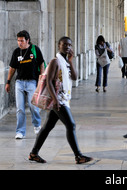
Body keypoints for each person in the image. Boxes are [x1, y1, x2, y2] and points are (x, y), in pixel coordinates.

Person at [29, 36, 92, 164]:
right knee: (71, 125)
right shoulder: (55, 61)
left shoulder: (65, 61)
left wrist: (71, 61)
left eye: (69, 45)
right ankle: (78, 156)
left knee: (47, 127)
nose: (67, 47)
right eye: (64, 44)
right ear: (59, 45)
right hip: (58, 99)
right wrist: (55, 100)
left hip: (64, 98)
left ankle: (33, 153)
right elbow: (49, 81)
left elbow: (75, 77)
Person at [5, 30, 45, 139]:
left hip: (32, 82)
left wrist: (41, 79)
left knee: (33, 106)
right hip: (19, 82)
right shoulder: (16, 52)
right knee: (20, 108)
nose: (20, 43)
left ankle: (37, 125)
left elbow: (41, 63)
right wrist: (8, 82)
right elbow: (12, 68)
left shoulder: (34, 49)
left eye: (22, 41)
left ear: (27, 40)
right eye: (18, 41)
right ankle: (20, 131)